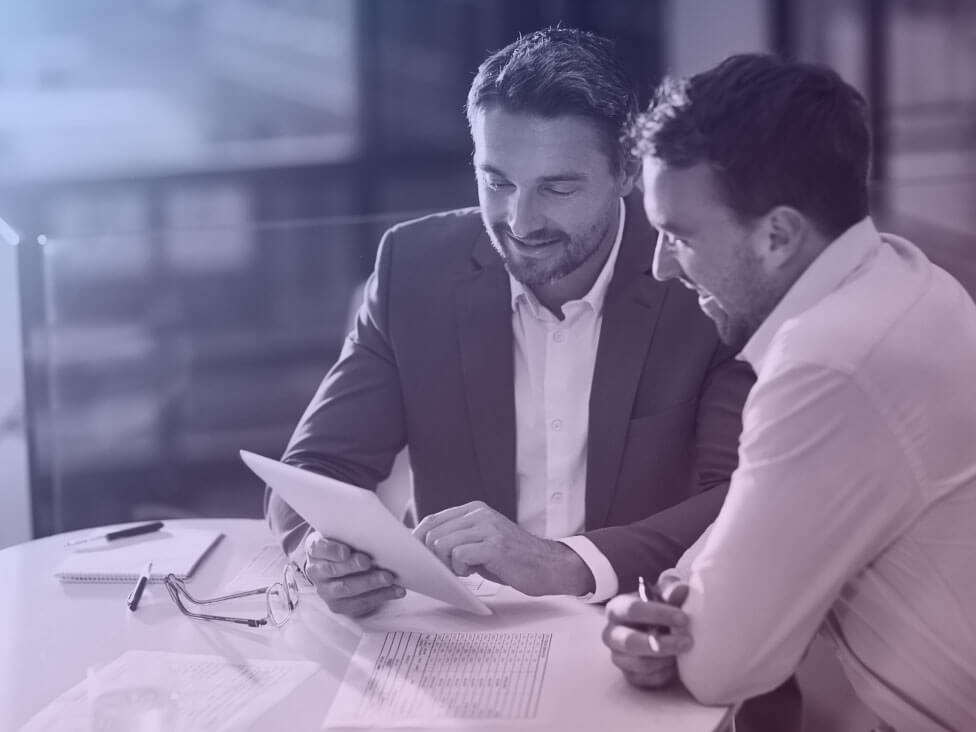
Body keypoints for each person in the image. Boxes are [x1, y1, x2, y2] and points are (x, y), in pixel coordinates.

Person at [603, 53, 976, 732]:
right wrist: (680, 598)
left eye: (677, 236)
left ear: (777, 235)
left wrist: (675, 623)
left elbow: (719, 665)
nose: (659, 268)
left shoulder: (830, 362)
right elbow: (750, 523)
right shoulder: (901, 275)